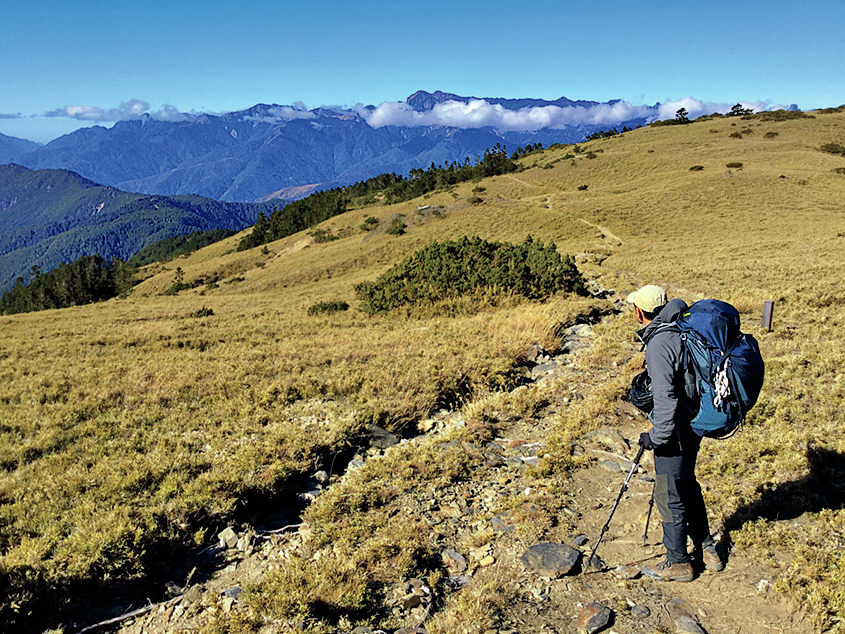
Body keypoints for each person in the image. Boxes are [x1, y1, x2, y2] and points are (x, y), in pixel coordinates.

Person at [627, 285, 724, 581]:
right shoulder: (681, 327)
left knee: (669, 493)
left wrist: (656, 437)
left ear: (639, 312)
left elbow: (666, 400)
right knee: (687, 484)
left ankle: (678, 562)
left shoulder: (659, 344)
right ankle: (707, 548)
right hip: (695, 422)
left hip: (676, 429)